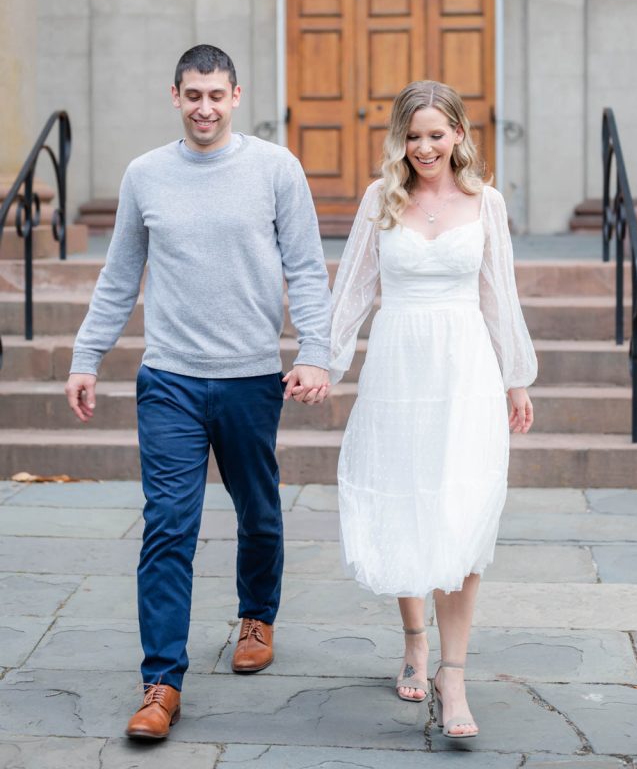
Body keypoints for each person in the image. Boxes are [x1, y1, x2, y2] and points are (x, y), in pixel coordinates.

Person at [65, 44, 331, 741]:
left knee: (259, 508)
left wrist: (317, 352)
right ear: (175, 96)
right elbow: (120, 274)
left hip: (250, 377)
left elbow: (306, 268)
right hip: (171, 379)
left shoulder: (276, 168)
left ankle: (257, 616)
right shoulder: (146, 175)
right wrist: (86, 357)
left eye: (217, 95)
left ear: (236, 96)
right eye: (193, 96)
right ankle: (161, 682)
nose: (205, 107)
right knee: (168, 527)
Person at [329, 80, 536, 742]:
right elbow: (353, 289)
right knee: (405, 501)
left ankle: (453, 674)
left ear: (458, 135)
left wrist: (517, 379)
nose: (424, 148)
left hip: (465, 368)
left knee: (461, 512)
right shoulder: (379, 198)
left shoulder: (486, 202)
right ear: (401, 138)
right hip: (398, 367)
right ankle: (414, 637)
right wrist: (323, 363)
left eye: (436, 135)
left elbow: (498, 293)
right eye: (413, 136)